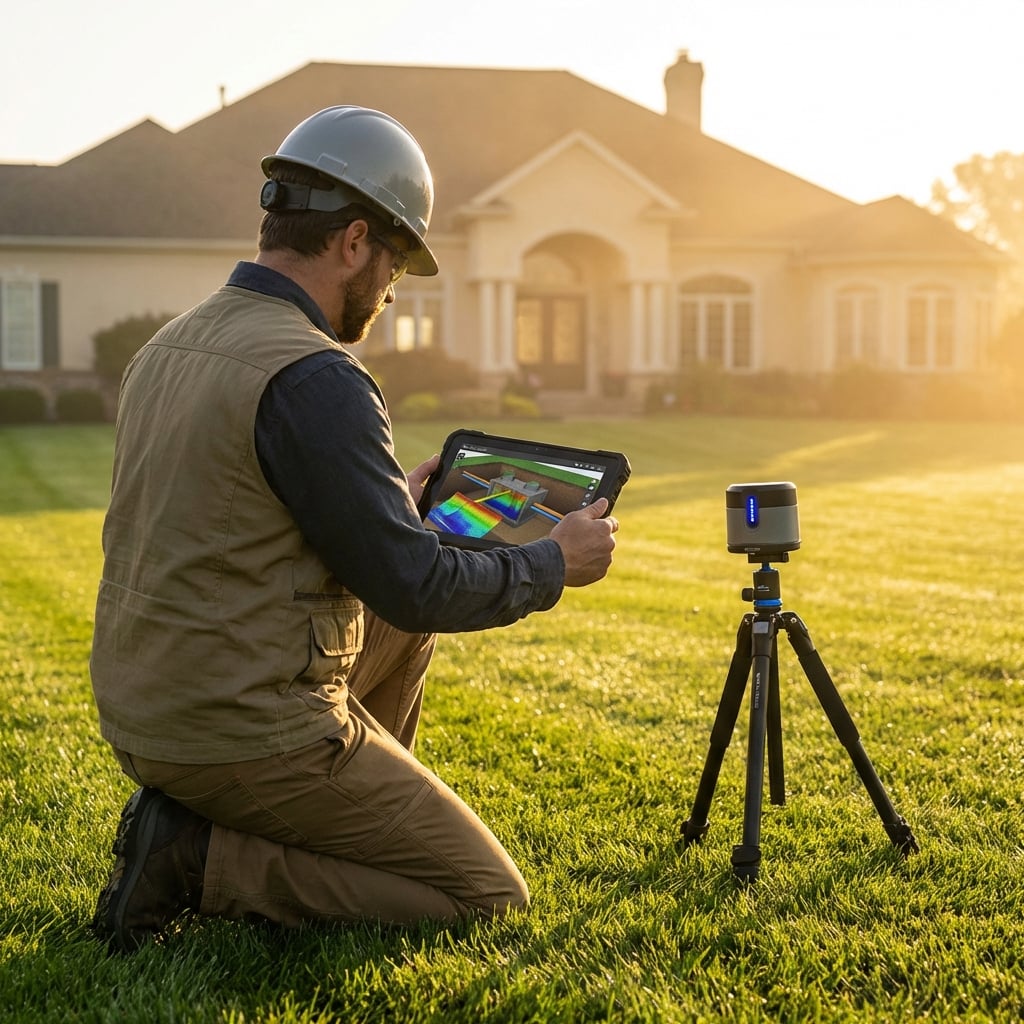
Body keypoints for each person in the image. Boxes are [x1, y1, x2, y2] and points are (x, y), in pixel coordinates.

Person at [89, 106, 619, 953]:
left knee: (405, 632)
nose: (394, 287)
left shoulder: (169, 346)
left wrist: (393, 518)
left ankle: (325, 821)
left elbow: (242, 523)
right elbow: (418, 583)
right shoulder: (317, 374)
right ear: (354, 241)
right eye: (398, 261)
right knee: (482, 895)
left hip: (148, 699)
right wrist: (553, 563)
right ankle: (197, 857)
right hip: (235, 725)